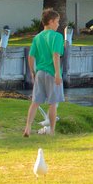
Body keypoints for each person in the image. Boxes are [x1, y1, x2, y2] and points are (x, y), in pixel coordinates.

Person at [23, 8, 65, 137]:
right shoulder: (57, 36)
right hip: (52, 72)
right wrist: (58, 74)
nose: (58, 24)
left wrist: (32, 72)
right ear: (51, 21)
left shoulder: (37, 37)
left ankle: (27, 128)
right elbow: (56, 55)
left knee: (35, 102)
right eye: (57, 21)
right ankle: (52, 130)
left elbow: (31, 56)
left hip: (39, 72)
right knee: (53, 103)